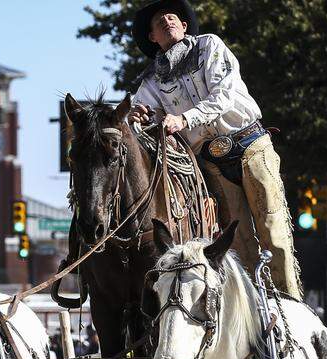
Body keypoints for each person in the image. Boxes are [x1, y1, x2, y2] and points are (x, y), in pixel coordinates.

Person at [127, 0, 301, 296]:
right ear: (153, 37)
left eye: (172, 17)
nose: (167, 21)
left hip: (251, 144)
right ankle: (258, 315)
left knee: (274, 231)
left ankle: (289, 304)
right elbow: (139, 109)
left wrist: (184, 118)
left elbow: (225, 94)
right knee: (239, 244)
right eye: (159, 22)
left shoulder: (210, 46)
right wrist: (136, 115)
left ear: (184, 26)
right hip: (212, 162)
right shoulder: (152, 81)